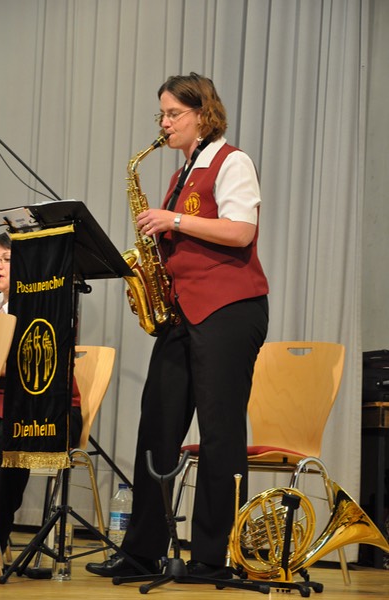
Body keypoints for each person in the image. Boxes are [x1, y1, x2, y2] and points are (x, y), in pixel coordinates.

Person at [86, 72, 269, 580]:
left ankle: (213, 558)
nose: (164, 124)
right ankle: (142, 551)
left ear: (202, 114)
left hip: (230, 309)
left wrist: (174, 221)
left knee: (218, 431)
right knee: (157, 426)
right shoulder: (183, 171)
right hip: (183, 311)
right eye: (161, 115)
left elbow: (240, 231)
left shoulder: (231, 161)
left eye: (173, 114)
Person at [0, 232, 82, 565]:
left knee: (10, 436)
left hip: (47, 404)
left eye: (7, 260)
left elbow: (21, 367)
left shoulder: (43, 305)